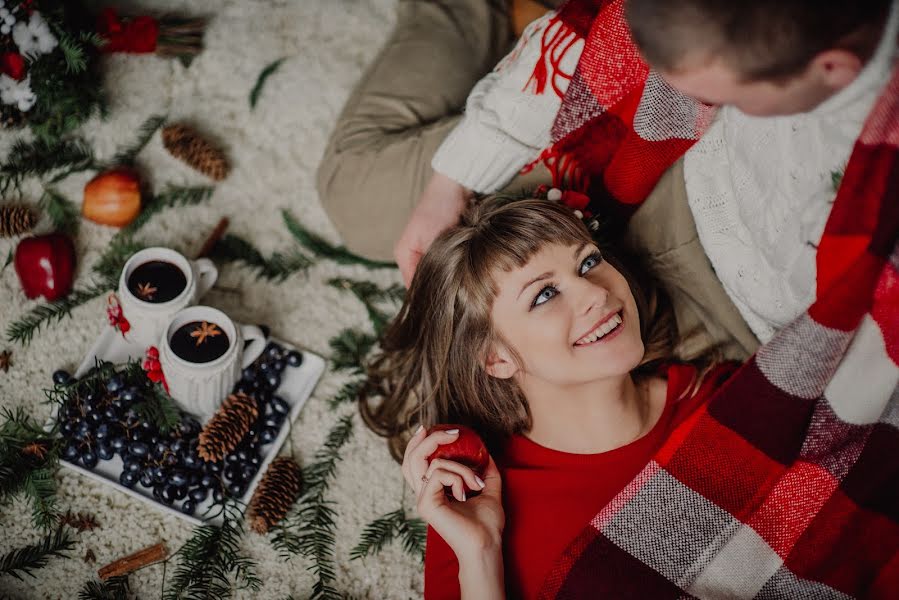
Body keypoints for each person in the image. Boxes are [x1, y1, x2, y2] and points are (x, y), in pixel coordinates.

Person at [318, 0, 898, 363]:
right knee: (354, 195)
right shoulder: (716, 39)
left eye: (719, 98)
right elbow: (607, 41)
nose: (597, 292)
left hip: (744, 319)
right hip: (652, 169)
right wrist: (452, 182)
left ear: (832, 72)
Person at [362, 195, 735, 599]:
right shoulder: (472, 508)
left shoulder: (723, 400)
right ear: (494, 357)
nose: (595, 294)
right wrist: (481, 556)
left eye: (588, 262)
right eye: (544, 295)